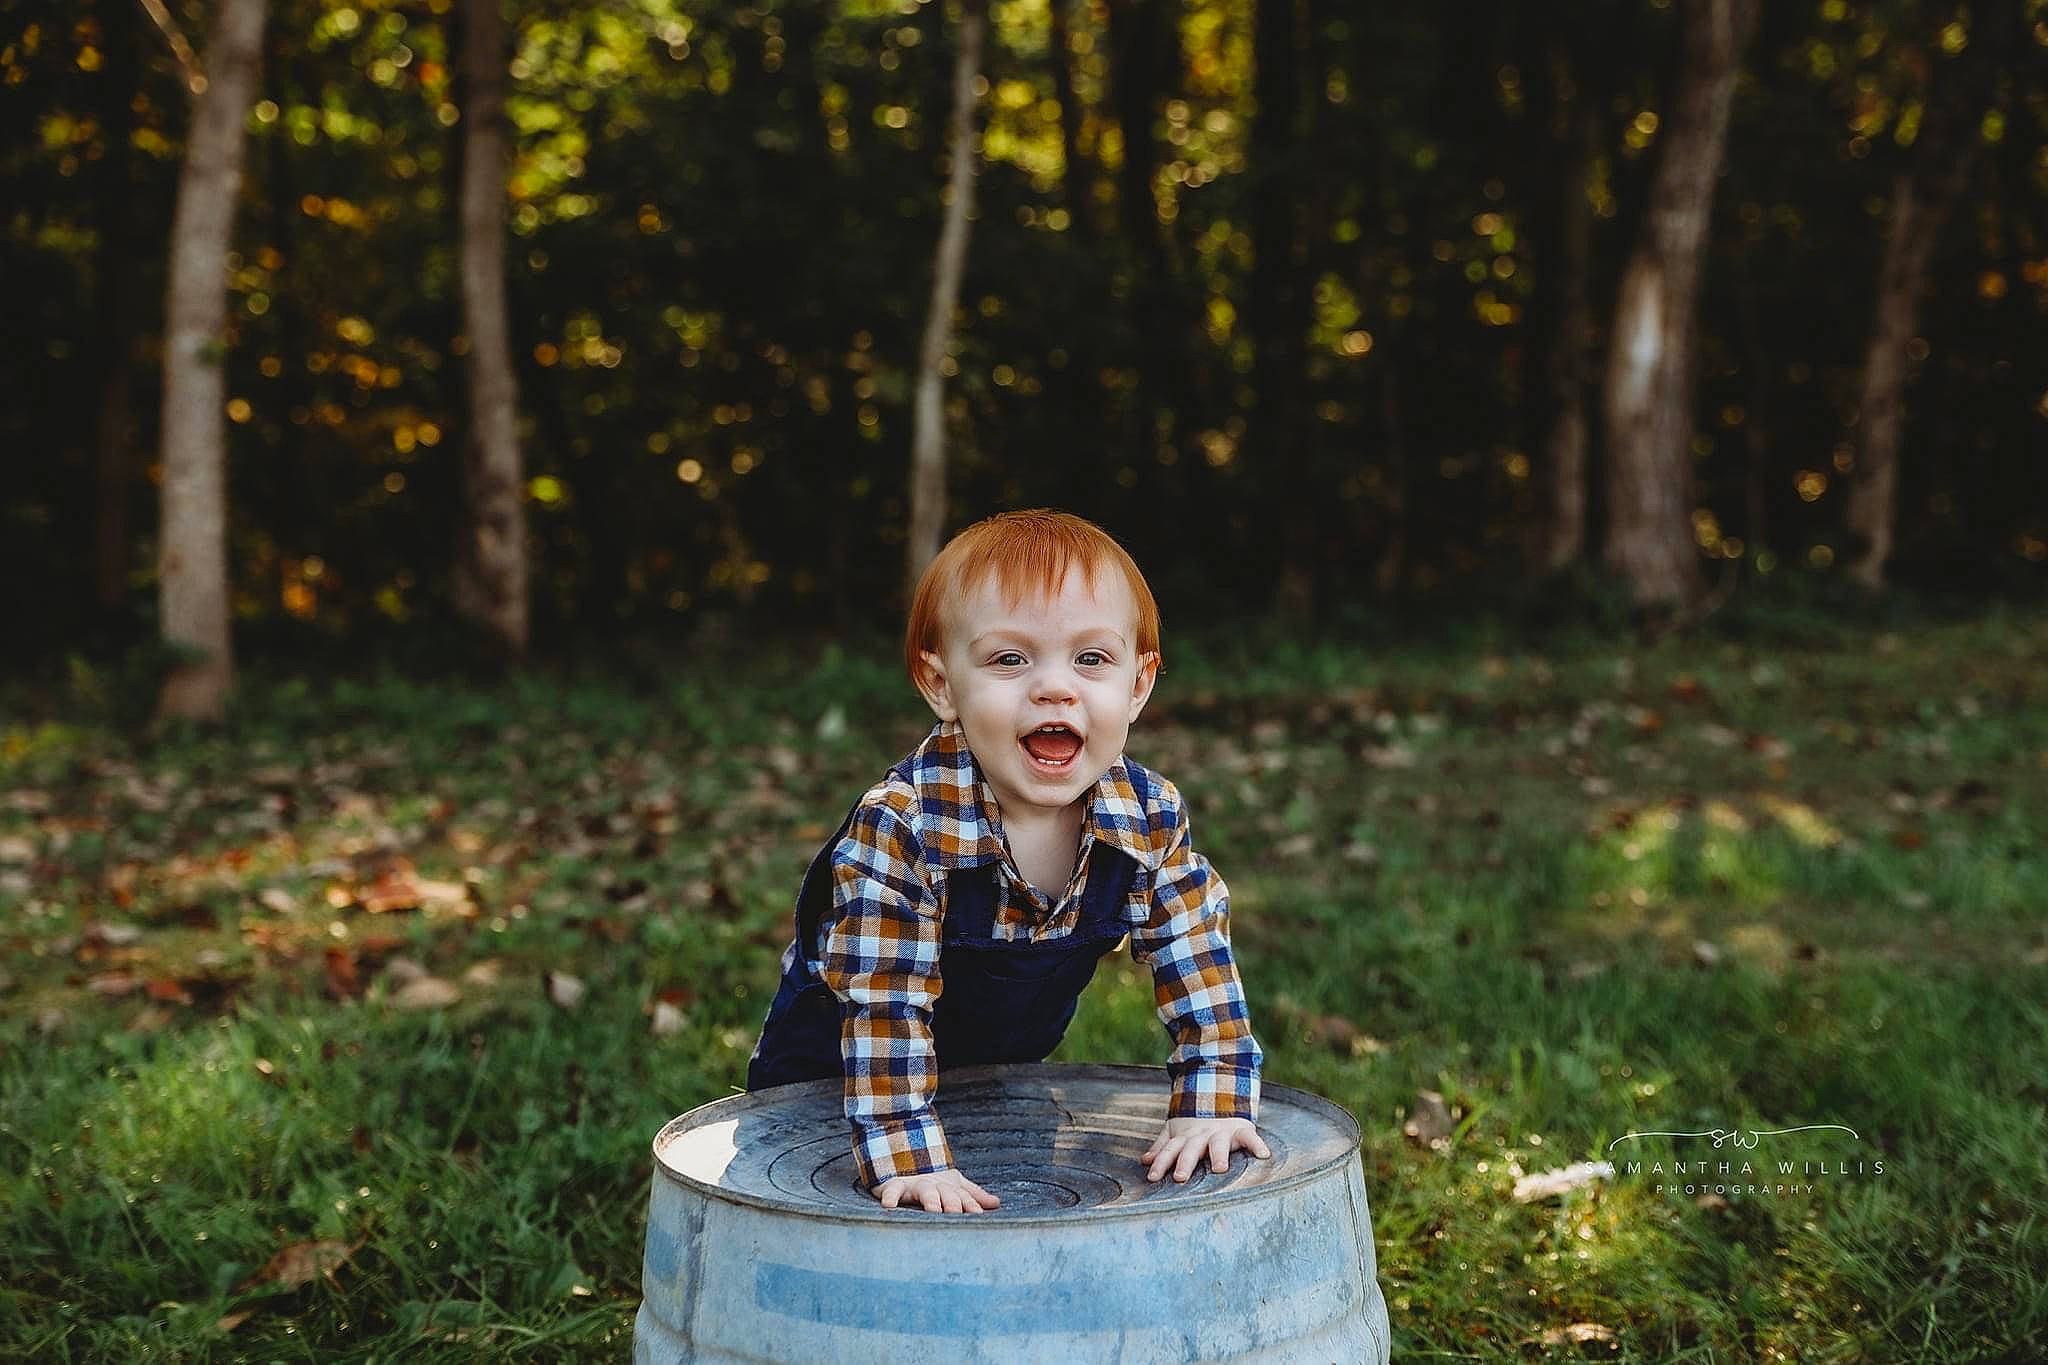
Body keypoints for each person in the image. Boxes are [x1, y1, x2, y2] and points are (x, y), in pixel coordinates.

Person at [746, 509, 1267, 1214]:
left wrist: (1213, 1096)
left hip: (997, 1078)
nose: (1055, 687)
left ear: (1138, 685)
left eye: (1092, 659)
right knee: (835, 1220)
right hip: (839, 1077)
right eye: (1009, 659)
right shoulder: (904, 826)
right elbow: (885, 1004)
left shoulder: (1145, 816)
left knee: (1014, 1222)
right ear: (942, 685)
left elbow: (1195, 951)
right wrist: (906, 1151)